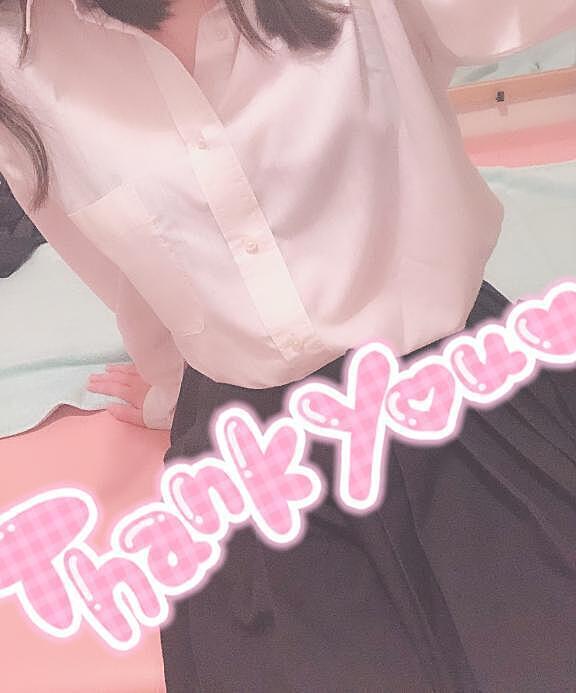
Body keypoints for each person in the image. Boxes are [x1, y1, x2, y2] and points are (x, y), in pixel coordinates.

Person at [1, 0, 575, 690]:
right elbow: (122, 275)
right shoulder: (19, 59)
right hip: (252, 445)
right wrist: (173, 387)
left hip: (458, 388)